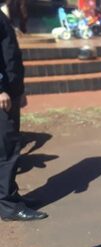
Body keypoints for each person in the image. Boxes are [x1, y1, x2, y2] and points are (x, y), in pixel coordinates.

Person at [0, 10, 47, 222]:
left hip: (11, 91)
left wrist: (19, 90)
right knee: (6, 150)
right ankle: (8, 206)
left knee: (9, 146)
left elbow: (10, 53)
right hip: (3, 93)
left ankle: (11, 195)